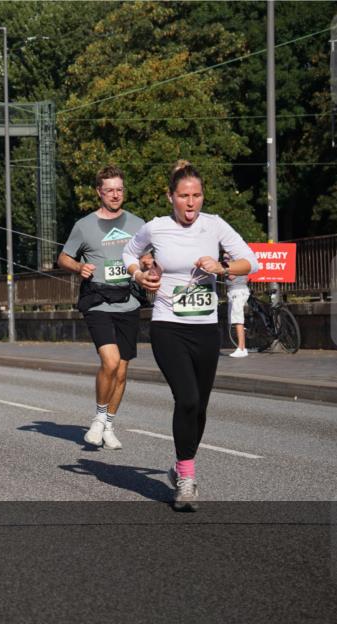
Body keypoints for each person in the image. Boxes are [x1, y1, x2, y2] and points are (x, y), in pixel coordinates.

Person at [124, 160, 258, 511]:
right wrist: (139, 275)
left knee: (199, 406)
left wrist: (222, 267)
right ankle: (186, 479)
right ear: (171, 196)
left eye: (196, 195)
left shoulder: (215, 225)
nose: (191, 202)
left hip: (206, 329)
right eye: (184, 196)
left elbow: (251, 261)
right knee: (185, 398)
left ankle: (180, 464)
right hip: (168, 326)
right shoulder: (156, 227)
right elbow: (129, 253)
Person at [57, 166, 147, 450]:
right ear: (99, 192)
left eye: (119, 190)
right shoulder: (84, 225)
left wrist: (148, 264)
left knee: (121, 371)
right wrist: (79, 267)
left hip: (129, 301)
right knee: (110, 361)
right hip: (97, 301)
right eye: (109, 190)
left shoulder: (138, 224)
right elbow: (63, 258)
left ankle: (108, 424)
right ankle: (98, 417)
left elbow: (148, 256)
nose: (115, 195)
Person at [225, 251, 250, 358]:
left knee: (238, 319)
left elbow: (230, 275)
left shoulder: (232, 258)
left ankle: (241, 348)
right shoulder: (241, 259)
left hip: (237, 291)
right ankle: (242, 347)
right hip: (236, 290)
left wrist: (220, 269)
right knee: (236, 319)